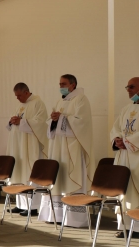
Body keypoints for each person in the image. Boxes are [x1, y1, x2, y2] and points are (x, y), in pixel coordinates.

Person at [38, 74, 94, 228]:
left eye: (63, 84)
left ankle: (74, 219)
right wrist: (54, 120)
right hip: (58, 147)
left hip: (72, 148)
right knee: (58, 179)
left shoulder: (81, 99)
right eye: (59, 84)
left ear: (72, 85)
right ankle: (56, 215)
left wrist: (62, 118)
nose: (60, 86)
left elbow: (82, 123)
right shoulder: (60, 101)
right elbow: (53, 125)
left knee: (71, 177)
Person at [5, 83, 48, 216]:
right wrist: (12, 121)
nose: (17, 98)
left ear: (26, 92)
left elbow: (40, 123)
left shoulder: (38, 103)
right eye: (16, 96)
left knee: (29, 172)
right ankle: (21, 204)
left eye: (19, 95)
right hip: (19, 146)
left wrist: (22, 122)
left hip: (30, 146)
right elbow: (13, 123)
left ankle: (33, 207)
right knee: (19, 172)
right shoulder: (20, 105)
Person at [110, 76, 139, 239]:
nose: (128, 90)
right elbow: (115, 128)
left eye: (131, 87)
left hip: (137, 157)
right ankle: (125, 227)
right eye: (127, 87)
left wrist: (127, 142)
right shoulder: (126, 109)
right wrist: (117, 139)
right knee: (124, 192)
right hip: (124, 156)